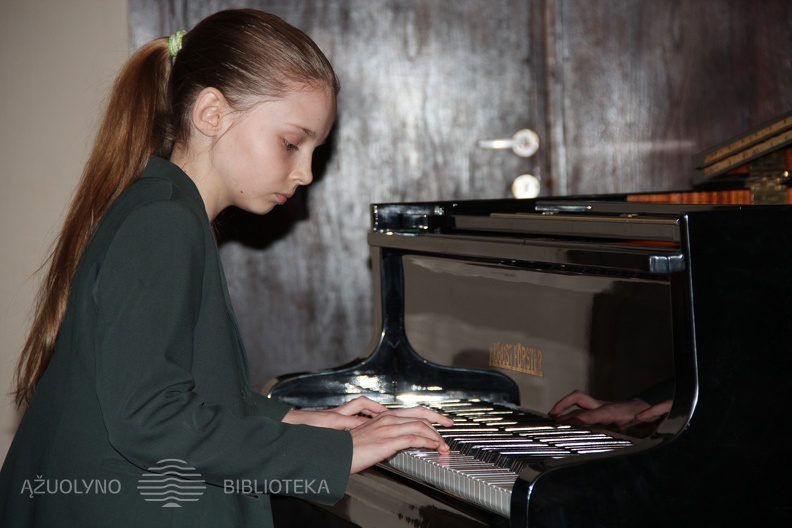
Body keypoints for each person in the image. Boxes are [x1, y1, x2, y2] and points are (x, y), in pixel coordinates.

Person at [0, 9, 452, 528]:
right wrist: (334, 454)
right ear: (212, 114)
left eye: (314, 151)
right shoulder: (163, 223)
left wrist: (296, 418)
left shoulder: (164, 208)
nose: (306, 173)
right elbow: (149, 419)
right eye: (291, 143)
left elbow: (176, 387)